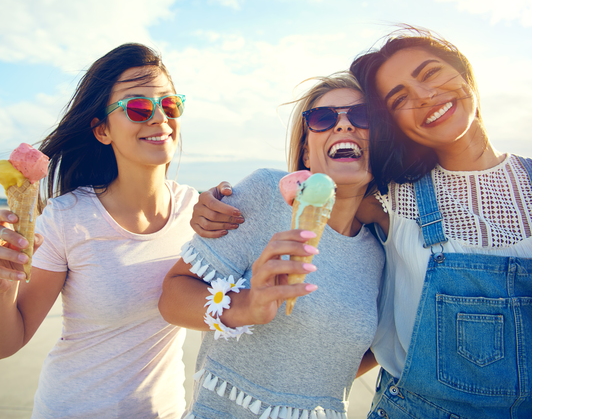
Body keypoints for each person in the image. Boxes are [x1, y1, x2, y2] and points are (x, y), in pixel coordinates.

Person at [193, 26, 532, 419]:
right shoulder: (390, 200)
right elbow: (321, 196)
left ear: (466, 73)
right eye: (399, 98)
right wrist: (211, 201)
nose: (423, 96)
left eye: (430, 73)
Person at [0, 43, 198, 419]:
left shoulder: (197, 212)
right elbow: (2, 345)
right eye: (139, 107)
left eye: (170, 104)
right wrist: (0, 289)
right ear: (102, 130)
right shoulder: (67, 218)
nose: (159, 117)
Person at [158, 72, 385, 419]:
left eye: (362, 116)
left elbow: (372, 351)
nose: (343, 126)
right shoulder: (264, 193)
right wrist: (247, 306)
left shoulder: (384, 248)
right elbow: (172, 297)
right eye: (323, 118)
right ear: (306, 152)